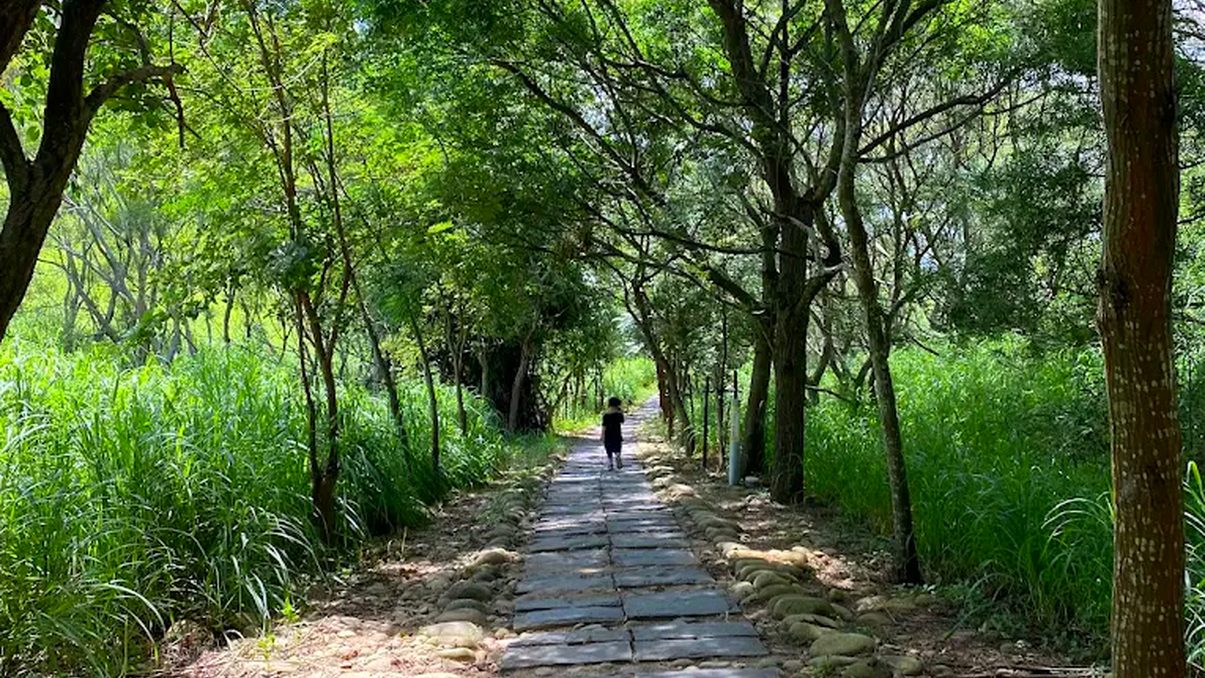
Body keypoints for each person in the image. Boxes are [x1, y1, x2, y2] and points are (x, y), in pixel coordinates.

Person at [601, 396, 625, 470]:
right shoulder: (618, 413)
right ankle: (618, 455)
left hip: (608, 433)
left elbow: (604, 426)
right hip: (617, 432)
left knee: (608, 448)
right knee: (617, 445)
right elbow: (622, 421)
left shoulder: (606, 414)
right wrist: (621, 412)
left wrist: (602, 435)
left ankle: (610, 463)